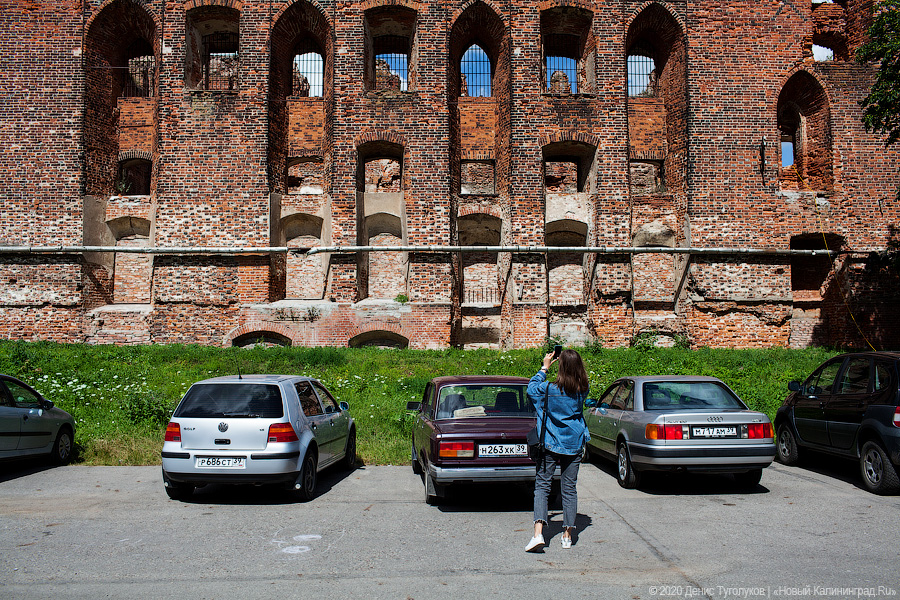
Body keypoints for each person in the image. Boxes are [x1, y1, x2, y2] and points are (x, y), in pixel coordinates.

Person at [525, 348, 590, 552]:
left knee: (542, 487)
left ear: (560, 367)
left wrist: (544, 367)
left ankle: (538, 534)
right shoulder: (583, 389)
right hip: (574, 442)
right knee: (569, 489)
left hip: (551, 442)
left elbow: (531, 388)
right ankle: (567, 536)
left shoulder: (548, 389)